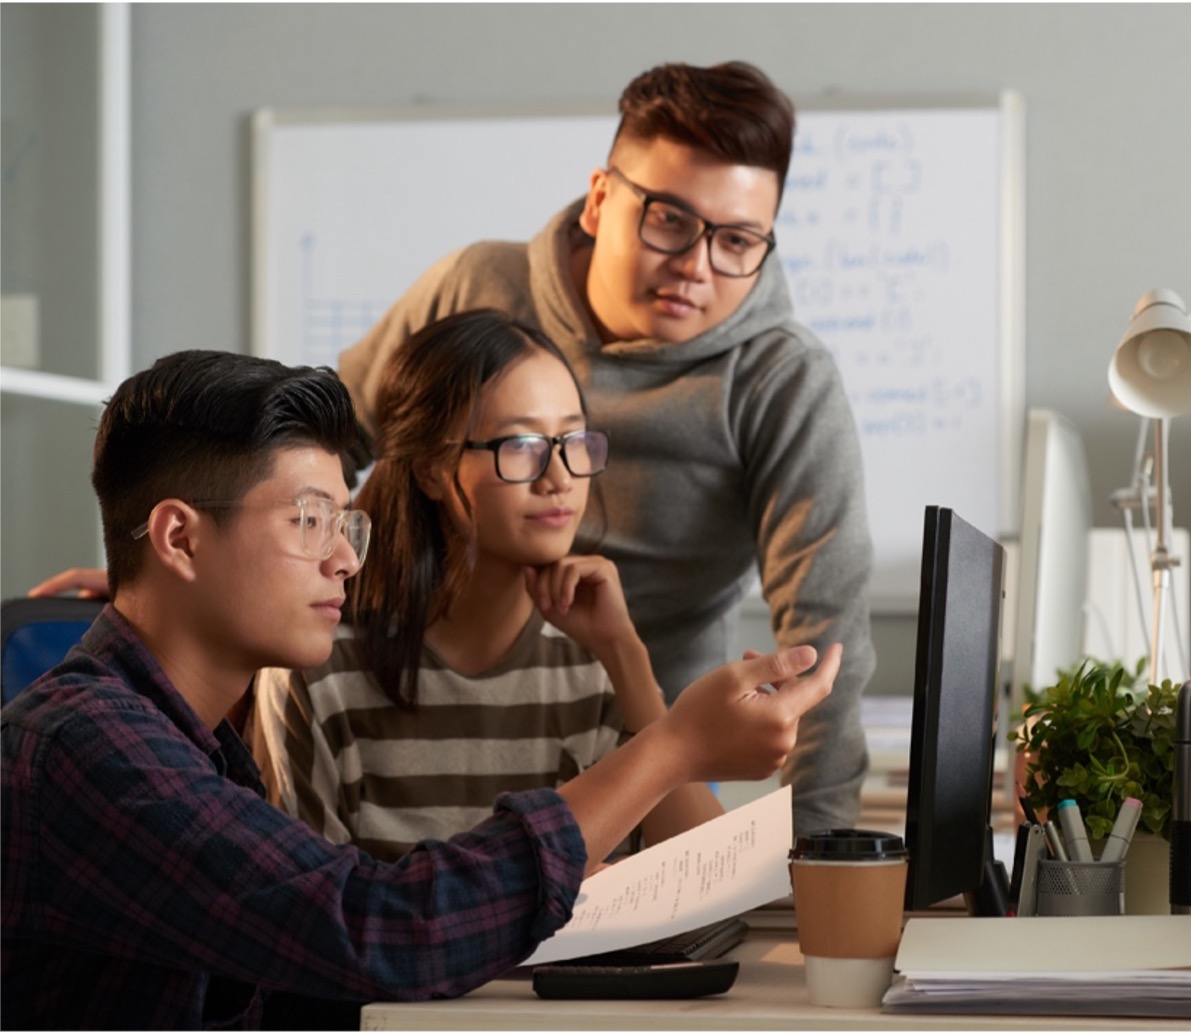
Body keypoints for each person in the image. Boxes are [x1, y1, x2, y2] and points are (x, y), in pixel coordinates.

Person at [1, 349, 838, 1029]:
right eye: (307, 520)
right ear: (179, 537)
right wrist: (670, 748)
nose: (345, 557)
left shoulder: (190, 740)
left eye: (345, 521)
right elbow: (378, 928)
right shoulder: (87, 747)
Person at [335, 60, 875, 836]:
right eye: (668, 219)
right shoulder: (476, 286)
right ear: (599, 200)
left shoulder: (781, 379)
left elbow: (827, 641)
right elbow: (328, 433)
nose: (696, 265)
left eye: (738, 240)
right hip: (427, 718)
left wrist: (825, 854)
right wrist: (213, 570)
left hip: (644, 739)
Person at [250, 309, 721, 862]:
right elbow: (313, 914)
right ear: (429, 466)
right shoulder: (320, 663)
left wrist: (625, 654)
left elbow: (708, 870)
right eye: (521, 444)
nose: (560, 478)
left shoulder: (592, 662)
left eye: (572, 438)